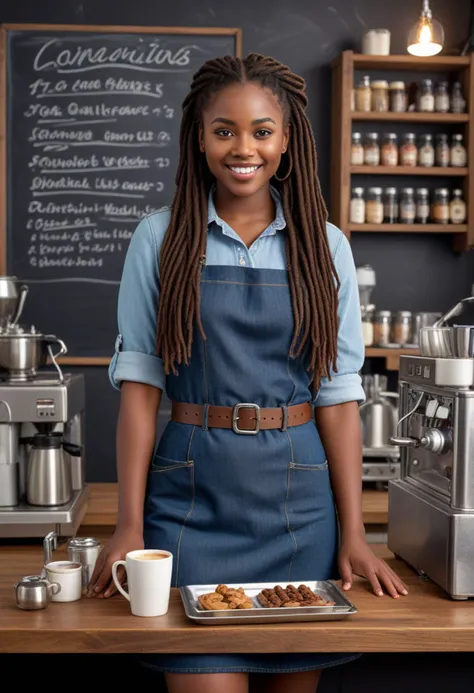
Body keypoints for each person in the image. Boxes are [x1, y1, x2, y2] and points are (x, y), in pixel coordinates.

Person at [88, 53, 408, 692]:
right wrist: (129, 524)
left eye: (262, 131)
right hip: (189, 504)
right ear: (198, 137)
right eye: (224, 130)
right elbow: (142, 390)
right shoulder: (161, 238)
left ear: (286, 140)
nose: (244, 148)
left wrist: (355, 534)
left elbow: (339, 398)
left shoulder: (326, 247)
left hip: (299, 512)